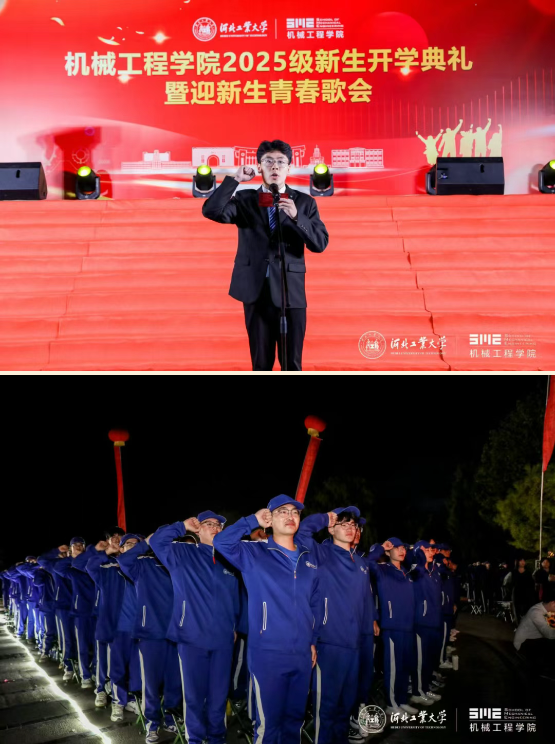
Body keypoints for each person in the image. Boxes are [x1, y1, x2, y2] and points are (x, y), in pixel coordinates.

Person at [202, 139, 329, 371]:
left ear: (289, 167)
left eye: (281, 162)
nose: (275, 166)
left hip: (290, 292)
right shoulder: (245, 200)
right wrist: (235, 180)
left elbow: (320, 244)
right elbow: (211, 210)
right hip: (256, 290)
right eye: (268, 161)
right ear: (259, 167)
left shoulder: (304, 202)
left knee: (292, 364)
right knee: (261, 363)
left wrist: (297, 217)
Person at [213, 495, 322, 744]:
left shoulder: (308, 559)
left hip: (302, 654)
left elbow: (314, 602)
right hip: (268, 654)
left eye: (295, 512)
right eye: (282, 511)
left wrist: (312, 640)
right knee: (269, 725)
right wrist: (251, 521)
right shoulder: (254, 553)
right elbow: (221, 542)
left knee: (294, 721)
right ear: (269, 520)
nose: (290, 516)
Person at [150, 511, 240, 744]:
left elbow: (234, 597)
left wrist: (233, 626)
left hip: (223, 640)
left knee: (219, 696)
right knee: (194, 697)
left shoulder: (230, 558)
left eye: (219, 525)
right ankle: (196, 739)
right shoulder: (182, 552)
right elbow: (156, 540)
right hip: (192, 638)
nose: (215, 528)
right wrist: (182, 526)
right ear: (198, 529)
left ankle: (217, 738)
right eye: (209, 524)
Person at [295, 507, 374, 744]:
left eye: (354, 525)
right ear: (331, 529)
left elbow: (365, 605)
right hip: (329, 643)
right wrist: (324, 518)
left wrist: (366, 639)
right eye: (344, 524)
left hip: (355, 644)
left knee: (346, 706)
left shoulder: (361, 564)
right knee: (326, 707)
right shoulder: (321, 553)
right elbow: (301, 533)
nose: (350, 529)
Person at [117, 533, 182, 744]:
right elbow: (123, 559)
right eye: (130, 544)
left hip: (175, 632)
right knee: (151, 684)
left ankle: (171, 718)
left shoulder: (172, 560)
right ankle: (152, 723)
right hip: (150, 633)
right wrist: (144, 543)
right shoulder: (140, 565)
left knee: (174, 682)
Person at [52, 537, 96, 688]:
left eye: (81, 545)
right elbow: (57, 567)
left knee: (98, 646)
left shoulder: (92, 564)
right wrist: (73, 557)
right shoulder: (72, 570)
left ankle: (95, 672)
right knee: (81, 645)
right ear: (70, 549)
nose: (78, 547)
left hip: (98, 611)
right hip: (80, 611)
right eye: (75, 545)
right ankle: (85, 676)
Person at [38, 543, 75, 680]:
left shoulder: (81, 562)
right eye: (67, 551)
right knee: (66, 638)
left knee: (81, 639)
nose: (66, 554)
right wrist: (56, 551)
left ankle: (81, 666)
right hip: (63, 605)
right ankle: (68, 666)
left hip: (82, 606)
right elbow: (41, 560)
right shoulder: (56, 565)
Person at [513, 585, 555, 675]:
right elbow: (550, 635)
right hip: (524, 643)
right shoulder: (536, 612)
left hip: (537, 639)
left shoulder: (548, 609)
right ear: (553, 603)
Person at [505, 558, 537, 623]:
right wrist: (511, 591)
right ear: (517, 562)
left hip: (527, 594)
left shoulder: (528, 573)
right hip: (516, 593)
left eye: (523, 561)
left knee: (526, 610)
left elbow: (532, 584)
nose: (523, 562)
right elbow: (506, 583)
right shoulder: (513, 572)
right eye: (521, 561)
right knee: (517, 610)